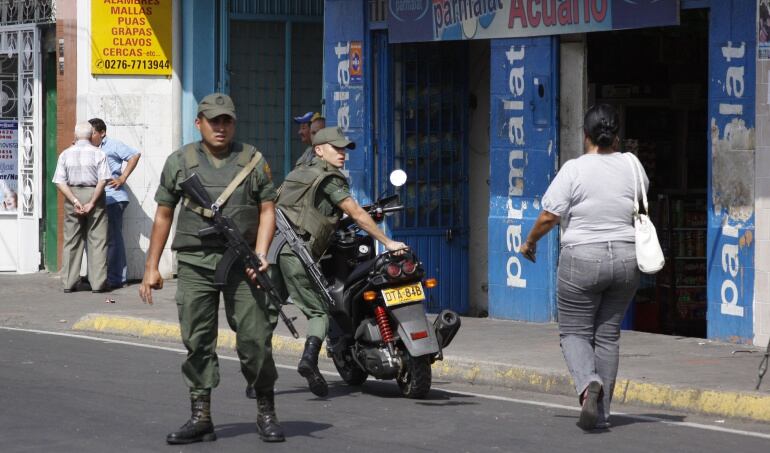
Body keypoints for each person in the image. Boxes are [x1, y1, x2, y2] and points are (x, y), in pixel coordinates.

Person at [139, 93, 285, 444]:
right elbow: (163, 214)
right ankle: (201, 416)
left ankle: (266, 408)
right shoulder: (180, 161)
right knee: (197, 340)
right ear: (198, 122)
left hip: (243, 264)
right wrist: (151, 267)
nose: (220, 127)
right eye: (213, 120)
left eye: (227, 121)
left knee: (255, 340)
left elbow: (268, 209)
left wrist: (262, 253)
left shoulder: (253, 160)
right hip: (195, 263)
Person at [520, 104, 647, 431]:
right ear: (616, 136)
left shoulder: (574, 169)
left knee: (575, 332)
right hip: (626, 259)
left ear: (586, 135)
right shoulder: (633, 166)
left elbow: (550, 215)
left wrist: (530, 241)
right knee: (607, 336)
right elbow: (640, 205)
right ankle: (601, 414)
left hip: (582, 258)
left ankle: (589, 383)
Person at [266, 126, 407, 397]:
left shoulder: (297, 174)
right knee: (319, 312)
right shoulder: (329, 179)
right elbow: (354, 213)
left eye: (344, 149)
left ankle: (258, 375)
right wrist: (388, 242)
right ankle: (309, 360)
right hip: (297, 252)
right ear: (319, 150)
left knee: (269, 312)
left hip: (275, 251)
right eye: (336, 148)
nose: (342, 154)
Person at [53, 122, 112, 293]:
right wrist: (92, 202)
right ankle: (98, 283)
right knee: (97, 239)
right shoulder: (99, 153)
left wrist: (74, 200)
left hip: (72, 193)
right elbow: (103, 180)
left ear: (75, 135)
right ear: (92, 134)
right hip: (94, 193)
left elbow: (59, 181)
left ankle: (68, 283)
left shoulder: (65, 154)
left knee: (71, 240)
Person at [88, 118, 142, 289]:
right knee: (100, 239)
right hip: (96, 199)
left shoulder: (112, 145)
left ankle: (117, 278)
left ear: (102, 133)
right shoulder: (89, 147)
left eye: (93, 133)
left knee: (113, 239)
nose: (90, 136)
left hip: (113, 198)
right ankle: (99, 275)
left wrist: (123, 177)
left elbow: (134, 155)